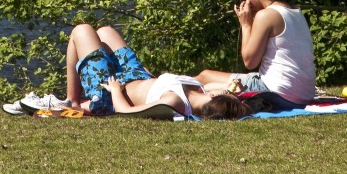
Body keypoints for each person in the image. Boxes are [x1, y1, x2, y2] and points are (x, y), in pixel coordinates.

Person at [196, 0, 317, 105]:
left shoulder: (266, 15)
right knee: (205, 76)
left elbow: (249, 62)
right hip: (302, 93)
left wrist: (246, 25)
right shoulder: (294, 11)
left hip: (276, 92)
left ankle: (164, 91)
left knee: (204, 81)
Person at [63, 23, 247, 119]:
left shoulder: (173, 102)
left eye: (227, 94)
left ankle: (73, 101)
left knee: (81, 31)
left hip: (109, 91)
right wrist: (232, 86)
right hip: (137, 75)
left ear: (214, 98)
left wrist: (116, 92)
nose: (228, 91)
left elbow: (125, 112)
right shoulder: (199, 90)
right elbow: (217, 87)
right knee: (105, 32)